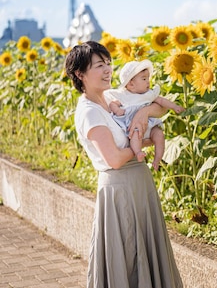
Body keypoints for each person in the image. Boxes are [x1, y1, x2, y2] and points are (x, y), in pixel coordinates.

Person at [64, 41, 183, 288]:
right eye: (99, 65)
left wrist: (143, 113)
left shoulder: (110, 98)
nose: (108, 70)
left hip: (139, 185)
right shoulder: (89, 112)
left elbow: (158, 109)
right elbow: (115, 159)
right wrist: (145, 142)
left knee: (147, 254)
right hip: (120, 190)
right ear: (80, 74)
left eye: (108, 63)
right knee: (129, 256)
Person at [106, 59, 184, 170]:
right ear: (131, 84)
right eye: (144, 79)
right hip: (134, 126)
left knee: (159, 135)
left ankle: (157, 159)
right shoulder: (125, 95)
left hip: (150, 125)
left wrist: (174, 106)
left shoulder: (149, 94)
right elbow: (113, 104)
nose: (148, 82)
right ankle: (138, 152)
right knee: (136, 135)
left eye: (148, 78)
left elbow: (161, 101)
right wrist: (117, 110)